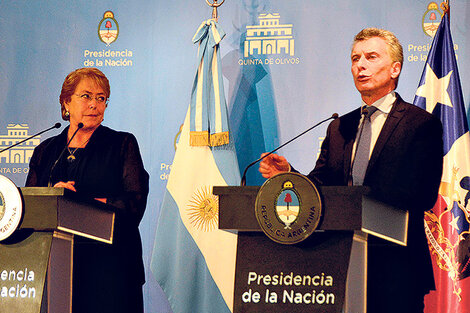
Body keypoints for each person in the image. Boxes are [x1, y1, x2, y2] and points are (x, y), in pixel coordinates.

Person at [259, 28, 443, 312]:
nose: (360, 65)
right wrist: (290, 176)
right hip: (339, 264)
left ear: (395, 68)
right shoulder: (339, 127)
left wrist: (354, 201)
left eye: (371, 57)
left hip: (396, 269)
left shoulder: (420, 124)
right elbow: (322, 185)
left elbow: (422, 194)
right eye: (355, 58)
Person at [26, 67, 149, 313]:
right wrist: (53, 195)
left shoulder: (122, 144)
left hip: (110, 269)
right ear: (66, 102)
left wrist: (78, 204)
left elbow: (134, 204)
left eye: (101, 98)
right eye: (86, 96)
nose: (95, 104)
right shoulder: (46, 150)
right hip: (56, 268)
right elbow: (31, 205)